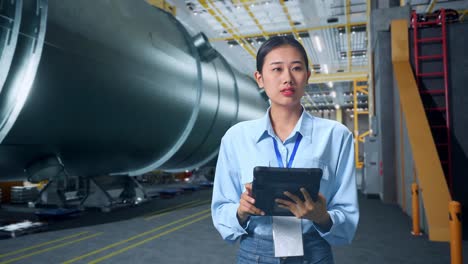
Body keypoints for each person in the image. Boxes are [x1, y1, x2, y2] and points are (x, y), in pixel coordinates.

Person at [211, 36, 359, 264]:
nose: (287, 78)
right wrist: (240, 211)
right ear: (260, 79)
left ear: (307, 76)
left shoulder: (336, 136)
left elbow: (347, 217)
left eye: (296, 68)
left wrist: (322, 217)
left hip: (313, 252)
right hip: (255, 254)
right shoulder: (236, 138)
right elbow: (221, 209)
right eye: (277, 69)